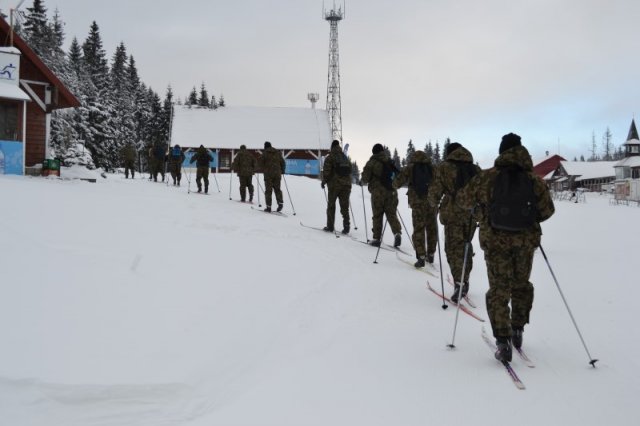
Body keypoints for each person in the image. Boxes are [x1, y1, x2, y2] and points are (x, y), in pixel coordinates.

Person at [457, 133, 555, 362]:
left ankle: (503, 340)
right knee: (521, 285)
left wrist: (482, 211)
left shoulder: (487, 177)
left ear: (501, 152)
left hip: (495, 241)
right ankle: (518, 328)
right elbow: (547, 211)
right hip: (524, 242)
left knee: (499, 289)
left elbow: (463, 201)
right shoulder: (533, 180)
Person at [427, 142, 480, 303]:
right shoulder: (474, 168)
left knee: (452, 248)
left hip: (453, 213)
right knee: (466, 245)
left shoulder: (444, 167)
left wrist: (433, 202)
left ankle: (460, 281)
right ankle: (465, 278)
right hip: (472, 213)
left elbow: (435, 190)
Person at [392, 149, 437, 267]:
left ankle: (421, 256)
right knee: (432, 228)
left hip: (417, 203)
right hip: (432, 202)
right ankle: (431, 254)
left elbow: (397, 183)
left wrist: (392, 184)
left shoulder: (410, 167)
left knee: (419, 229)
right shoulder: (432, 168)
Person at [360, 143, 402, 247]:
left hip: (378, 192)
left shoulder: (372, 162)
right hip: (392, 191)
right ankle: (397, 233)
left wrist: (361, 181)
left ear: (373, 152)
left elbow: (365, 178)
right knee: (391, 214)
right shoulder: (389, 161)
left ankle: (376, 239)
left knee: (377, 215)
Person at [321, 139, 352, 234]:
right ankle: (346, 225)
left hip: (334, 185)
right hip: (346, 185)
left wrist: (324, 182)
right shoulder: (345, 157)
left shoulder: (330, 157)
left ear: (332, 147)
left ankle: (330, 226)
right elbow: (350, 170)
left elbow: (326, 172)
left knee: (331, 205)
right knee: (344, 206)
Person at [259, 141, 285, 212]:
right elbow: (283, 162)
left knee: (268, 191)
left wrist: (260, 169)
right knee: (277, 189)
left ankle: (268, 207)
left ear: (265, 146)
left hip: (268, 174)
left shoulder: (264, 153)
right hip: (277, 174)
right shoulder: (278, 152)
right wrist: (282, 171)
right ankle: (280, 203)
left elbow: (260, 163)